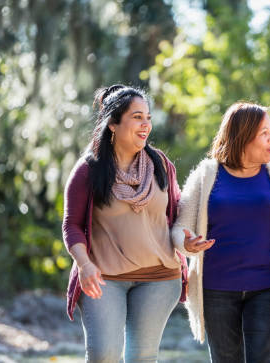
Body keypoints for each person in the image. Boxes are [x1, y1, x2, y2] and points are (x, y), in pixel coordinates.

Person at [171, 102, 270, 363]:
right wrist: (186, 243)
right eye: (264, 132)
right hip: (216, 292)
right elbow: (180, 227)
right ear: (243, 135)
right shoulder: (206, 175)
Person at [62, 84, 186, 362]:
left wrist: (187, 239)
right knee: (103, 354)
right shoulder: (89, 170)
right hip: (103, 278)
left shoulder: (161, 165)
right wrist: (84, 264)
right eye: (137, 117)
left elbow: (178, 217)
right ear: (113, 124)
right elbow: (71, 224)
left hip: (159, 278)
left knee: (142, 356)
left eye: (148, 118)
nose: (146, 125)